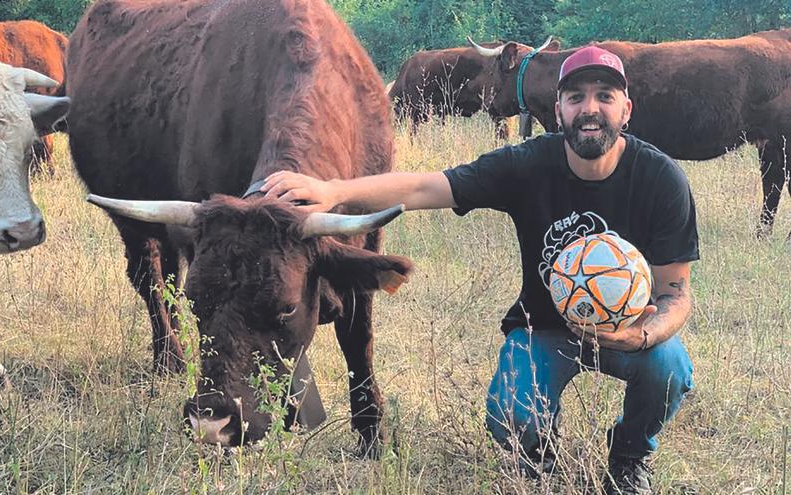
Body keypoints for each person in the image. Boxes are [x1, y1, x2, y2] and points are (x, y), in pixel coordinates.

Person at [261, 45, 697, 494]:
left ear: (626, 109)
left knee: (669, 367)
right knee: (512, 414)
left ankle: (629, 458)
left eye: (604, 96)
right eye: (576, 97)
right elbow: (425, 186)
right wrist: (333, 190)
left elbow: (676, 293)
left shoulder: (660, 179)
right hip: (543, 329)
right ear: (558, 108)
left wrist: (641, 335)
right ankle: (539, 458)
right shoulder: (528, 164)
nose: (590, 108)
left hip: (626, 328)